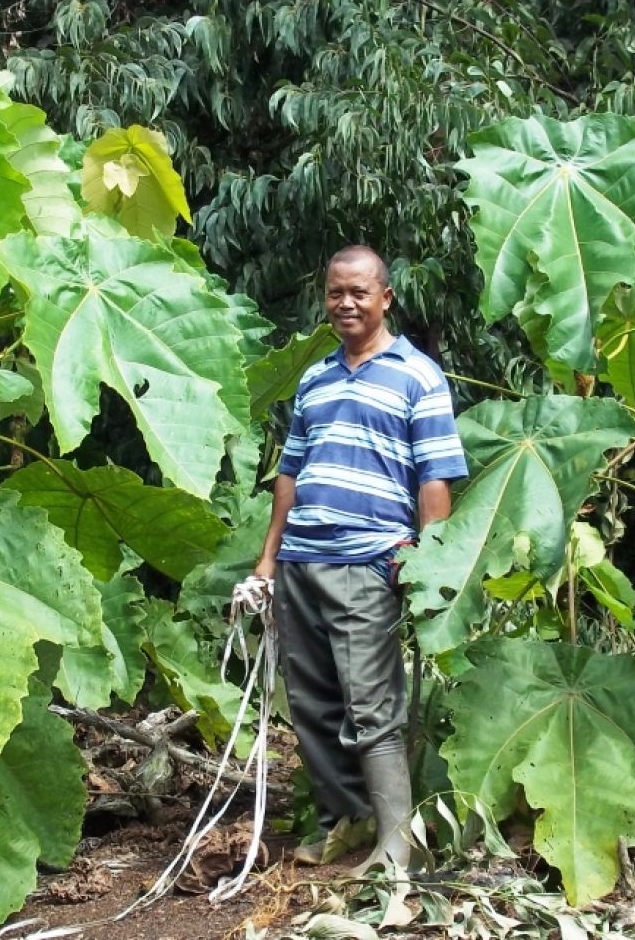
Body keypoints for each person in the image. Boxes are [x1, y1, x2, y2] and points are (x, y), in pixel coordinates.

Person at [252, 245, 468, 874]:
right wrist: (268, 560)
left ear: (385, 298)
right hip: (301, 562)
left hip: (369, 561)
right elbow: (289, 474)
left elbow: (435, 482)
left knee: (371, 708)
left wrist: (429, 565)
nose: (346, 304)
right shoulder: (315, 377)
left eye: (359, 293)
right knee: (313, 705)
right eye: (335, 293)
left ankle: (395, 846)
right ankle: (342, 820)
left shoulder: (419, 375)